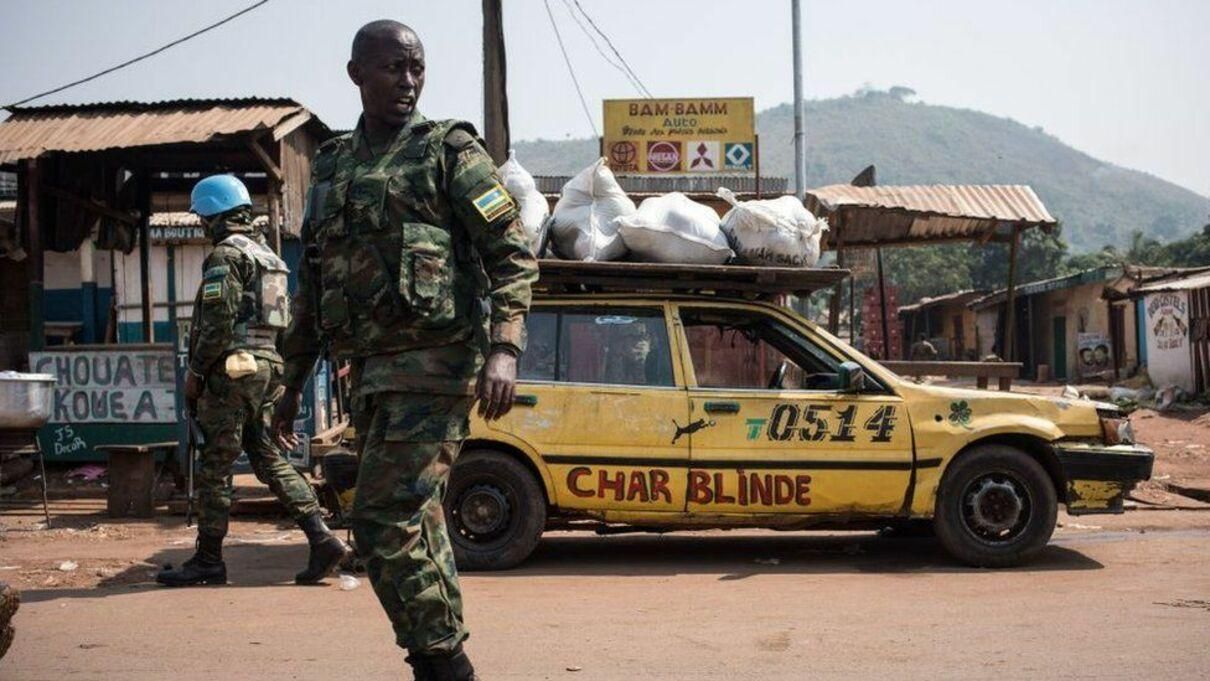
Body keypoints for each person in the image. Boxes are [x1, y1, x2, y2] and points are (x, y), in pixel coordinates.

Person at [270, 20, 537, 681]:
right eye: (394, 68)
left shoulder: (447, 150)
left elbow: (512, 255)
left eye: (417, 68)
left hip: (439, 368)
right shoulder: (333, 162)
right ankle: (437, 658)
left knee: (381, 517)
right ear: (357, 73)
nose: (409, 81)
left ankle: (445, 664)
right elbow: (313, 282)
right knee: (418, 521)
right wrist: (291, 379)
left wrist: (504, 348)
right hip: (373, 377)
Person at [157, 175, 347, 588]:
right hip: (267, 368)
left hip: (232, 371)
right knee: (267, 456)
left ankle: (208, 560)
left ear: (212, 215)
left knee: (216, 463)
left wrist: (195, 372)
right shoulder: (270, 258)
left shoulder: (225, 256)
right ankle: (321, 537)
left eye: (203, 219)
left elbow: (218, 321)